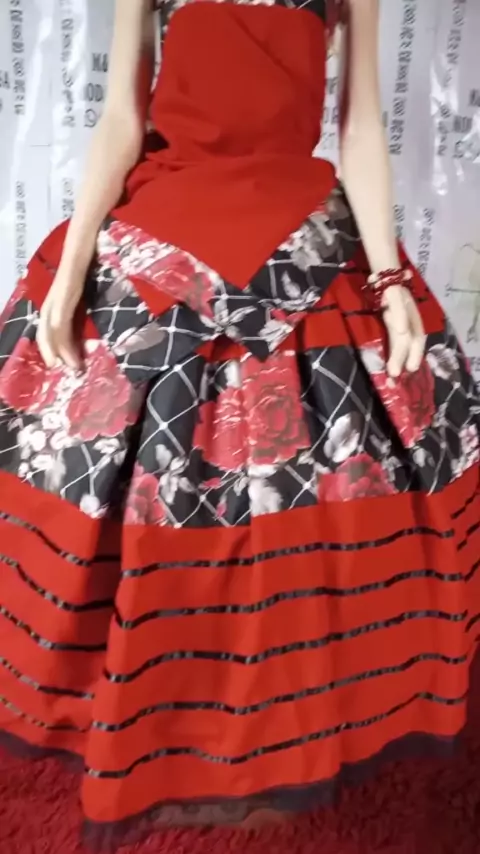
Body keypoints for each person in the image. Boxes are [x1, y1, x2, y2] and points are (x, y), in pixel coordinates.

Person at [0, 0, 479, 846]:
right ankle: (147, 709)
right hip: (160, 224)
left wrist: (389, 280)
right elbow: (124, 119)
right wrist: (72, 269)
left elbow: (359, 124)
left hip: (305, 231)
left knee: (326, 497)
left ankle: (286, 718)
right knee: (119, 490)